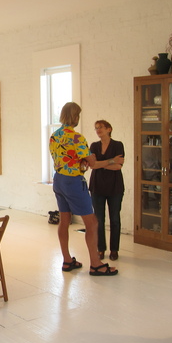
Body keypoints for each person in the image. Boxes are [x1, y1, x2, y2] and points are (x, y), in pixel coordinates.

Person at [49, 102, 122, 276]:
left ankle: (67, 260)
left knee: (64, 220)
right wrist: (110, 160)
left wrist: (84, 160)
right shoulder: (77, 137)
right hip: (73, 182)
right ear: (75, 116)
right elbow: (93, 163)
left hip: (59, 180)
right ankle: (96, 264)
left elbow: (66, 158)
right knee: (92, 223)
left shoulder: (54, 135)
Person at [88, 120, 125, 261]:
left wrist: (100, 164)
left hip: (115, 187)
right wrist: (111, 161)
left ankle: (114, 250)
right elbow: (92, 165)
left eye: (101, 127)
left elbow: (118, 166)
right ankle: (101, 249)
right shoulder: (94, 146)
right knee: (98, 220)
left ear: (109, 129)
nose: (98, 130)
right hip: (97, 187)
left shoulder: (118, 145)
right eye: (96, 128)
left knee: (115, 219)